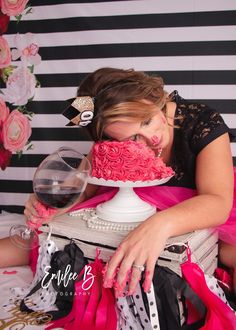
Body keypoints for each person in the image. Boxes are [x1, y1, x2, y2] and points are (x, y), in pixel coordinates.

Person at [0, 67, 236, 299]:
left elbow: (217, 201)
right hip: (125, 207)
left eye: (147, 120)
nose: (152, 137)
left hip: (199, 209)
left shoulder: (203, 122)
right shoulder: (109, 135)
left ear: (154, 99)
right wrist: (52, 202)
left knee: (227, 252)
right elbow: (80, 190)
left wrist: (159, 225)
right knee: (46, 237)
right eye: (133, 138)